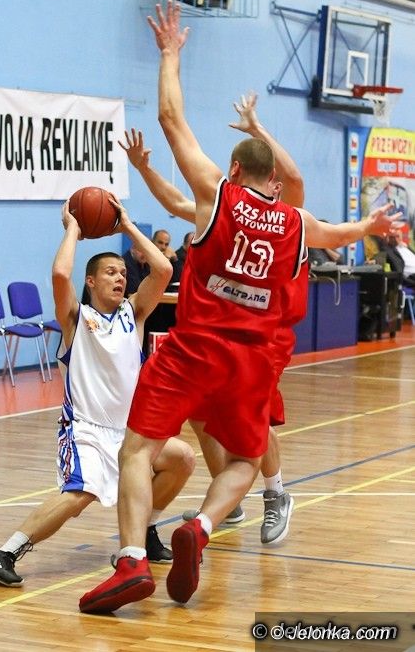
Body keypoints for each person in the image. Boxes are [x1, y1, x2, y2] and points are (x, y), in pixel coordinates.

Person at [78, 1, 401, 614]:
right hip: (252, 361)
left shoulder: (217, 196)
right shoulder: (297, 223)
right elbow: (338, 233)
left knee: (137, 451)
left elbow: (171, 118)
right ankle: (201, 527)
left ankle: (131, 561)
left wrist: (170, 54)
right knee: (247, 461)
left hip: (193, 348)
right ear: (273, 178)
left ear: (233, 169)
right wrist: (368, 225)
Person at [0, 195, 195, 587]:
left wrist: (127, 226)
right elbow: (61, 275)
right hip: (86, 430)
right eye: (110, 272)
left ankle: (144, 530)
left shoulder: (133, 313)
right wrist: (74, 229)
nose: (120, 278)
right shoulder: (76, 318)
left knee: (182, 459)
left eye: (122, 273)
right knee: (80, 495)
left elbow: (162, 268)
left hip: (129, 433)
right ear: (91, 281)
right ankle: (2, 553)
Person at [118, 91, 303, 544]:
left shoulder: (291, 215)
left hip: (267, 333)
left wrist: (257, 129)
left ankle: (276, 493)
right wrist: (144, 170)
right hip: (221, 332)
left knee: (256, 422)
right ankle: (229, 499)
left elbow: (294, 176)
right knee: (201, 414)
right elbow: (179, 203)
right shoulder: (230, 208)